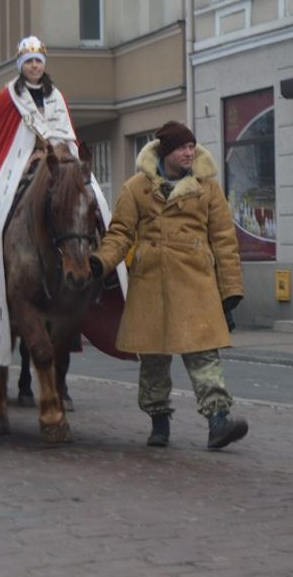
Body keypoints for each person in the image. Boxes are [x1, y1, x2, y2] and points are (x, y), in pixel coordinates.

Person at [0, 36, 117, 374]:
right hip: (19, 166)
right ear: (21, 66)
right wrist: (29, 156)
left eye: (39, 61)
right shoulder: (6, 99)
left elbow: (66, 135)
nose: (35, 66)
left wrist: (61, 155)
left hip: (61, 164)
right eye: (29, 61)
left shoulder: (56, 96)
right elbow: (0, 144)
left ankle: (105, 275)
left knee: (95, 200)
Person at [88, 120, 249, 450]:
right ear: (166, 153)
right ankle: (158, 421)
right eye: (181, 148)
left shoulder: (208, 188)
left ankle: (218, 420)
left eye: (191, 147)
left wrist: (230, 289)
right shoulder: (136, 188)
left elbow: (224, 240)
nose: (189, 152)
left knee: (204, 355)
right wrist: (99, 263)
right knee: (153, 360)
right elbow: (119, 234)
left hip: (196, 283)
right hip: (151, 285)